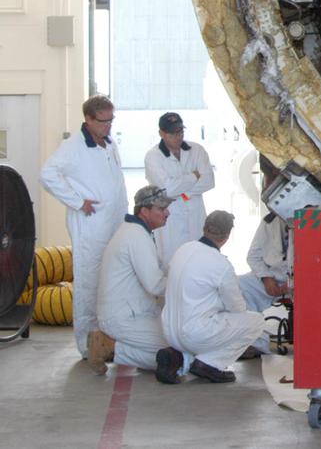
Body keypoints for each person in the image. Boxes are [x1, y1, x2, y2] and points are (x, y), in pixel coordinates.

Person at [40, 95, 128, 358]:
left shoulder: (109, 143)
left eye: (111, 120)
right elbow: (47, 174)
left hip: (114, 223)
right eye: (103, 121)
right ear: (88, 119)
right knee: (89, 284)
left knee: (112, 281)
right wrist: (77, 201)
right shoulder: (73, 147)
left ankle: (108, 340)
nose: (108, 126)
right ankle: (87, 345)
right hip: (91, 226)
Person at [160, 211, 266, 383]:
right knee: (256, 321)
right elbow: (237, 308)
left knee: (206, 320)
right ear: (227, 235)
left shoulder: (183, 249)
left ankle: (179, 358)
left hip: (169, 331)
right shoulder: (220, 264)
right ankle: (210, 364)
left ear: (204, 228)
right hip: (195, 334)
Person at [90, 185, 178, 379]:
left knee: (175, 352)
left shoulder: (137, 231)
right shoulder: (136, 236)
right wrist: (184, 283)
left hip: (133, 312)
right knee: (178, 347)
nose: (167, 213)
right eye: (161, 209)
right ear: (144, 211)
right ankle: (110, 346)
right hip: (124, 318)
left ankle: (114, 348)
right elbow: (155, 285)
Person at [144, 112, 215, 267]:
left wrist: (182, 191)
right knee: (172, 264)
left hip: (195, 216)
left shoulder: (197, 150)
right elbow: (167, 189)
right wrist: (193, 176)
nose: (178, 137)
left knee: (198, 262)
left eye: (180, 132)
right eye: (172, 133)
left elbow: (209, 181)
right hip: (171, 219)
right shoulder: (153, 156)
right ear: (161, 133)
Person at [239, 212, 293, 313]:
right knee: (238, 284)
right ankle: (252, 320)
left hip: (302, 282)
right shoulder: (269, 221)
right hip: (271, 278)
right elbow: (253, 256)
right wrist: (266, 278)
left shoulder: (314, 220)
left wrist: (294, 281)